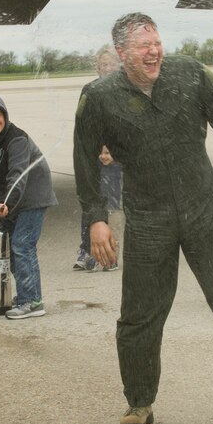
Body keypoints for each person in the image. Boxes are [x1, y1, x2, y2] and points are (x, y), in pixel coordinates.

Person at [74, 13, 213, 424]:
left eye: (156, 42)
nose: (153, 52)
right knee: (140, 314)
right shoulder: (99, 97)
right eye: (142, 46)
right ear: (121, 53)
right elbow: (85, 164)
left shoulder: (189, 73)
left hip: (205, 208)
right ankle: (139, 403)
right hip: (148, 218)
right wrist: (97, 219)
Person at [0, 94, 57, 320]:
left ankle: (32, 302)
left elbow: (18, 175)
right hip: (13, 200)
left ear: (5, 116)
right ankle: (26, 294)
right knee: (11, 246)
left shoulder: (17, 139)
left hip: (33, 196)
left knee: (22, 244)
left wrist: (8, 202)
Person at [75, 46, 123, 272]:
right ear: (97, 67)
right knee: (91, 204)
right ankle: (87, 252)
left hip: (116, 162)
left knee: (113, 209)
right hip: (95, 160)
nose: (107, 68)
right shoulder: (90, 90)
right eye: (103, 65)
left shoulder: (124, 90)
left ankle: (111, 255)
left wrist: (112, 151)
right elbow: (83, 126)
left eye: (111, 64)